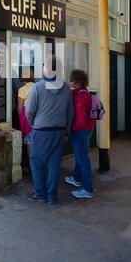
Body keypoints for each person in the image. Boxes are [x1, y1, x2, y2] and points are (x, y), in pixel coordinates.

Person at [25, 55, 74, 205]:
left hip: (41, 130)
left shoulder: (38, 87)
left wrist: (35, 124)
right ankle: (52, 196)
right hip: (59, 131)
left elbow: (30, 111)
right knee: (54, 164)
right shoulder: (66, 88)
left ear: (46, 69)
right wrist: (66, 131)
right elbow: (70, 112)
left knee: (36, 162)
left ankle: (40, 194)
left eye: (44, 65)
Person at [65, 69, 95, 199]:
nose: (69, 81)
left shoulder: (80, 96)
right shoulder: (83, 92)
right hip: (87, 128)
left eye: (71, 79)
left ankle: (88, 189)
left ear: (77, 81)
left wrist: (72, 129)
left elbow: (81, 119)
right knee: (80, 155)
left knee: (83, 159)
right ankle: (76, 178)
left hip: (81, 130)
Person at [17, 68, 35, 161]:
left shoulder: (22, 89)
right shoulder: (37, 87)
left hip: (27, 117)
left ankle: (33, 168)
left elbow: (20, 107)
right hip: (38, 116)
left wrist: (20, 118)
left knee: (29, 142)